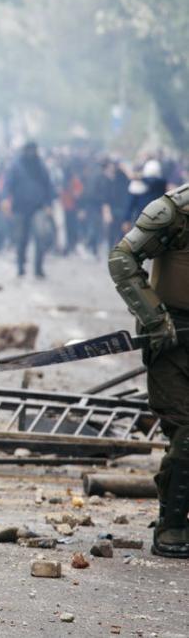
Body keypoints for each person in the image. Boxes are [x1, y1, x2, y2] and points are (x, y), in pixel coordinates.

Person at [108, 180, 189, 558]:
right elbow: (122, 259)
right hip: (174, 338)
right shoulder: (175, 212)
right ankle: (172, 525)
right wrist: (156, 320)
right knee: (187, 432)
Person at [5, 141, 56, 278]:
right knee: (21, 239)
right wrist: (6, 200)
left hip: (38, 207)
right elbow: (8, 185)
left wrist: (49, 204)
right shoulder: (16, 166)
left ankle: (38, 268)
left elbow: (48, 186)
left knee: (41, 236)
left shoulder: (40, 166)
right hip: (20, 208)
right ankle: (21, 266)